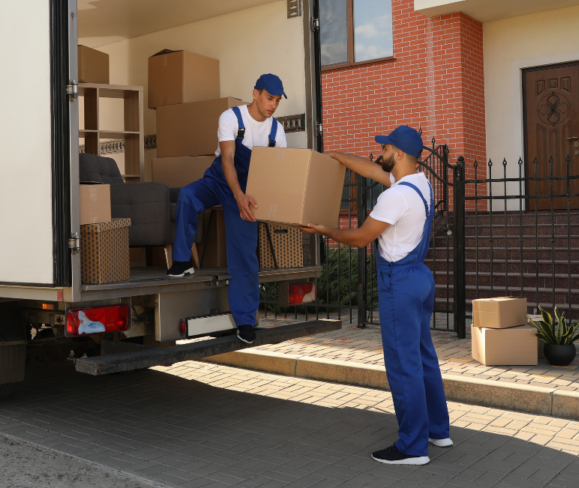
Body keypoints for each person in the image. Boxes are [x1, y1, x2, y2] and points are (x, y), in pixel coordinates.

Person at [299, 126, 450, 466]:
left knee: (402, 364)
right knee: (424, 358)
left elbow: (359, 238)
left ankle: (412, 448)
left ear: (397, 154)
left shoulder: (394, 197)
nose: (379, 153)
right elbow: (371, 169)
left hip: (399, 282)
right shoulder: (420, 183)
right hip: (420, 278)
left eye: (384, 148)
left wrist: (325, 231)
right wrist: (338, 156)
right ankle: (438, 431)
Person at [166, 74, 287, 344]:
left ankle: (245, 321)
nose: (273, 105)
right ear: (255, 93)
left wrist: (256, 200)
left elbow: (275, 172)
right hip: (220, 179)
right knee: (187, 195)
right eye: (270, 98)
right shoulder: (231, 117)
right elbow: (228, 160)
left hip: (250, 189)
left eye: (278, 101)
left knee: (244, 253)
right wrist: (237, 194)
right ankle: (182, 261)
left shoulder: (276, 132)